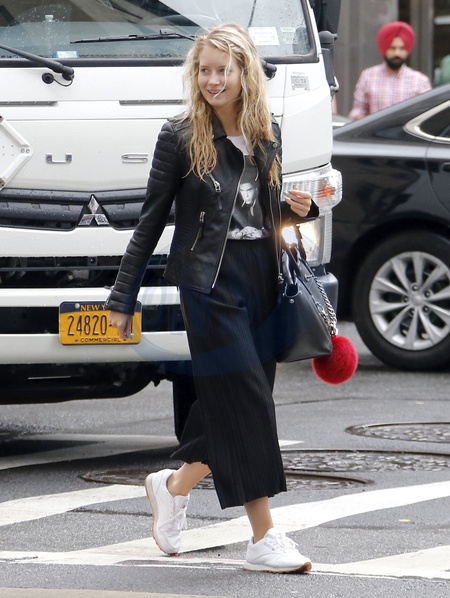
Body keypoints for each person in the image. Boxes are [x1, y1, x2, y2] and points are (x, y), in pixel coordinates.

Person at [106, 22, 318, 574]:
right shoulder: (179, 136)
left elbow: (261, 213)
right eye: (204, 70)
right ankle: (264, 537)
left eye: (223, 70)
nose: (212, 80)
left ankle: (172, 487)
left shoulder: (266, 131)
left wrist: (299, 209)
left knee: (233, 401)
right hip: (208, 283)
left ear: (245, 73)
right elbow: (150, 221)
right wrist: (123, 297)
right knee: (248, 401)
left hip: (261, 278)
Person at [348, 21, 431, 120]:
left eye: (401, 48)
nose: (397, 53)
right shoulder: (368, 76)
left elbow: (427, 114)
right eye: (392, 48)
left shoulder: (420, 81)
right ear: (385, 48)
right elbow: (358, 110)